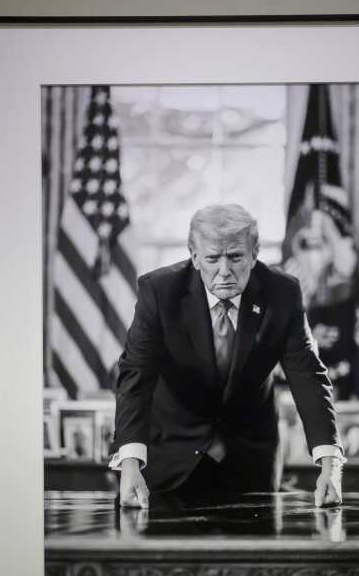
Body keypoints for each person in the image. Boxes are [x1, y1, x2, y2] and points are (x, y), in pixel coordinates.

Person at [109, 203, 344, 509]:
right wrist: (129, 464)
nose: (224, 271)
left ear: (254, 253)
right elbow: (135, 377)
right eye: (212, 258)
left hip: (251, 462)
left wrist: (330, 465)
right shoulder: (159, 291)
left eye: (235, 257)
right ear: (194, 256)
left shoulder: (282, 292)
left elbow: (308, 377)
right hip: (169, 459)